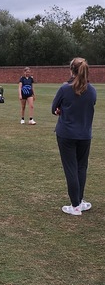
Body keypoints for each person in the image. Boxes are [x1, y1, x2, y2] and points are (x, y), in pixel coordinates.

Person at [51, 57, 96, 216]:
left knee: (71, 168)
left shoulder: (64, 89)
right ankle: (79, 201)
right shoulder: (92, 90)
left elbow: (54, 108)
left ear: (71, 70)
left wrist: (61, 110)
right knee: (81, 167)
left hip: (67, 134)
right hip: (85, 134)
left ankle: (75, 205)